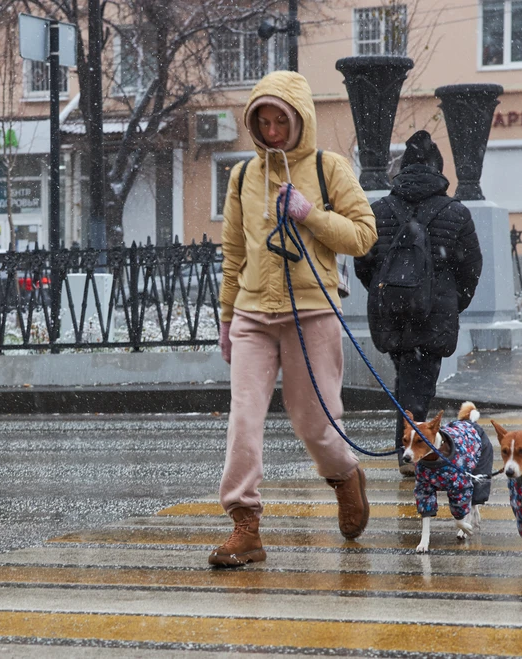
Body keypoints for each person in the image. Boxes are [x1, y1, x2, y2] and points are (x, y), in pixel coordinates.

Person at [211, 71, 378, 567]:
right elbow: (233, 251)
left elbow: (364, 235)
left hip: (312, 313)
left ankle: (345, 476)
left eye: (279, 120)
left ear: (299, 119)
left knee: (314, 424)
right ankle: (245, 525)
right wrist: (225, 318)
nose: (272, 132)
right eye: (262, 122)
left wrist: (309, 214)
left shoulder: (329, 168)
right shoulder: (242, 177)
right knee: (243, 421)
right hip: (252, 315)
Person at [354, 130, 482, 475]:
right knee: (419, 382)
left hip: (392, 314)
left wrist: (388, 293)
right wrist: (451, 302)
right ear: (438, 170)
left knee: (409, 378)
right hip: (434, 315)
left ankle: (409, 448)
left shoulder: (378, 210)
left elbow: (363, 263)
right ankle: (411, 455)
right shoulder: (456, 212)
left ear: (403, 169)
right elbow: (471, 269)